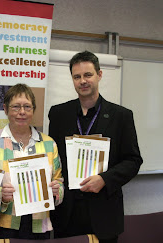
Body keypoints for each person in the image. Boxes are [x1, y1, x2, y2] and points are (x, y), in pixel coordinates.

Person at [48, 51, 143, 242]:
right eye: (77, 76)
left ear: (99, 75)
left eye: (88, 75)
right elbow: (53, 158)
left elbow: (133, 160)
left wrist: (105, 179)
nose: (82, 81)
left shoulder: (121, 116)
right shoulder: (58, 114)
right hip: (67, 213)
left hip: (104, 212)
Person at [0, 83, 64, 242]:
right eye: (16, 107)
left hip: (38, 226)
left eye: (27, 107)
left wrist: (56, 190)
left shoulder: (49, 144)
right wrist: (1, 195)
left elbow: (59, 182)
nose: (22, 112)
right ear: (5, 109)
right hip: (2, 225)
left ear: (33, 110)